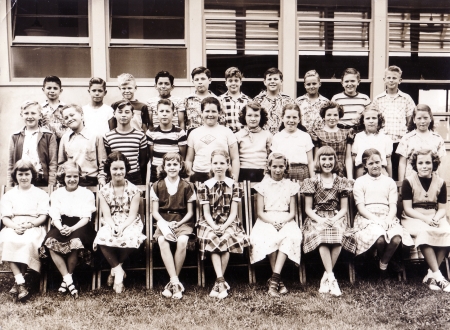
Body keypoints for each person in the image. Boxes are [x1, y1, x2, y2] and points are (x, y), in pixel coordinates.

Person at [342, 149, 413, 279]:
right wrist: (377, 220)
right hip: (367, 217)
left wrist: (389, 218)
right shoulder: (360, 181)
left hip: (387, 215)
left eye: (377, 162)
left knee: (396, 237)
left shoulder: (389, 182)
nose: (375, 166)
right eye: (371, 163)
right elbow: (361, 208)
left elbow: (393, 205)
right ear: (365, 165)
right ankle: (384, 268)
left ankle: (382, 263)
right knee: (380, 238)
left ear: (382, 162)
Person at [196, 149, 250, 299]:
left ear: (228, 165)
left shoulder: (235, 186)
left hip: (230, 222)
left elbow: (233, 213)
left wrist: (224, 226)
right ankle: (221, 280)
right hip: (208, 222)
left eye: (222, 163)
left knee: (225, 237)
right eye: (215, 163)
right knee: (213, 237)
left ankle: (218, 282)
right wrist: (214, 226)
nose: (218, 166)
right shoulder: (204, 186)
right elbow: (206, 213)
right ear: (211, 165)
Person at [39, 161, 96, 299]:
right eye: (69, 176)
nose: (72, 179)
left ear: (79, 177)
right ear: (63, 177)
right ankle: (69, 280)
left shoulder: (86, 194)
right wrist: (60, 227)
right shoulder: (57, 194)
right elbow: (55, 214)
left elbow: (86, 217)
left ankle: (66, 282)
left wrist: (72, 228)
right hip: (61, 224)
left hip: (80, 225)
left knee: (75, 242)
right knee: (50, 241)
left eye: (75, 176)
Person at [93, 151, 146, 293]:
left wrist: (122, 227)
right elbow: (107, 216)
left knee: (131, 236)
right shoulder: (103, 191)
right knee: (102, 238)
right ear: (109, 170)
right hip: (111, 221)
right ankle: (118, 270)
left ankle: (115, 271)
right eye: (114, 169)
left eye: (121, 168)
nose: (118, 172)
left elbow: (133, 215)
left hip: (130, 221)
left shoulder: (134, 190)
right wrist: (113, 226)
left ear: (126, 169)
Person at [249, 152, 301, 297]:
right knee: (269, 236)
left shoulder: (291, 186)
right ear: (269, 167)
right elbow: (260, 212)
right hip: (266, 218)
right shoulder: (262, 186)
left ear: (286, 167)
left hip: (286, 218)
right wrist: (273, 222)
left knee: (290, 237)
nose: (278, 170)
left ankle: (274, 281)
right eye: (274, 166)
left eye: (281, 166)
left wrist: (282, 222)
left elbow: (292, 212)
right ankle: (278, 282)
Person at [302, 146, 350, 296]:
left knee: (337, 234)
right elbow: (308, 209)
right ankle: (332, 277)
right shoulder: (312, 181)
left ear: (335, 161)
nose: (327, 162)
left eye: (330, 159)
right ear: (319, 161)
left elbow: (343, 209)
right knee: (322, 235)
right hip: (316, 218)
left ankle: (327, 277)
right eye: (324, 159)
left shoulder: (341, 181)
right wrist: (321, 220)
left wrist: (333, 219)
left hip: (336, 217)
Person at [402, 149, 450, 291]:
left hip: (433, 216)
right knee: (425, 232)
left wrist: (435, 218)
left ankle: (430, 274)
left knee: (447, 232)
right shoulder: (408, 181)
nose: (424, 166)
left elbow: (442, 208)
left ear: (433, 164)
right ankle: (439, 277)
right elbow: (407, 209)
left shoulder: (441, 182)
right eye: (420, 163)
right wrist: (425, 220)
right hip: (413, 217)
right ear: (415, 165)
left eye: (428, 162)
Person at [0, 160, 49, 301]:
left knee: (27, 241)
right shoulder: (9, 195)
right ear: (15, 176)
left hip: (33, 225)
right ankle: (21, 282)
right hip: (13, 225)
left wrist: (28, 225)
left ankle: (18, 283)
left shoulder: (40, 193)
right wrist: (15, 227)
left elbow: (43, 216)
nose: (23, 177)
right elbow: (5, 218)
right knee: (8, 240)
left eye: (27, 174)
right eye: (20, 174)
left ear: (32, 175)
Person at [151, 152, 196, 299]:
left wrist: (179, 223)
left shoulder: (187, 186)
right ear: (163, 167)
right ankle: (175, 281)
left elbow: (190, 213)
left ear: (180, 166)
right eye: (168, 164)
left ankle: (172, 283)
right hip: (164, 221)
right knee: (162, 241)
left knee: (182, 241)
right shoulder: (157, 185)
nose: (172, 167)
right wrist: (165, 223)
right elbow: (155, 212)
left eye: (175, 164)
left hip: (182, 221)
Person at [372, 65, 415, 180]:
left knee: (400, 169)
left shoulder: (406, 98)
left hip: (400, 141)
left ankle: (400, 195)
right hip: (383, 140)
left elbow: (410, 122)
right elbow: (374, 120)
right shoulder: (378, 99)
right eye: (389, 77)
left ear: (400, 80)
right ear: (384, 80)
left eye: (394, 78)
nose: (391, 80)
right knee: (385, 170)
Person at [185, 97, 240, 183]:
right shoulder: (194, 133)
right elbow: (189, 159)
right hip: (199, 175)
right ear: (201, 113)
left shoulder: (227, 132)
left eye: (214, 111)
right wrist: (188, 178)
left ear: (219, 113)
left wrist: (235, 178)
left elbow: (235, 158)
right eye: (207, 111)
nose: (210, 114)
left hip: (221, 175)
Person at [8, 100, 57, 187]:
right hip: (21, 180)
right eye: (26, 113)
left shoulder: (48, 136)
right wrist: (10, 185)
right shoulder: (15, 136)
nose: (30, 116)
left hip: (41, 181)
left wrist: (51, 185)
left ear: (40, 115)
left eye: (33, 113)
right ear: (21, 115)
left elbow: (53, 163)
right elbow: (11, 164)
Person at [59, 104, 107, 186]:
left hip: (91, 180)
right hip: (72, 181)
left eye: (72, 115)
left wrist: (102, 180)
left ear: (82, 115)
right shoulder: (65, 138)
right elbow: (61, 163)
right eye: (66, 118)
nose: (70, 119)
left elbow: (103, 163)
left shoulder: (95, 136)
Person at [397, 104, 446, 181]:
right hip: (412, 181)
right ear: (414, 119)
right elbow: (402, 163)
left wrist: (441, 183)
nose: (422, 121)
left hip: (432, 181)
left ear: (430, 118)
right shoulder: (407, 138)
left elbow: (441, 164)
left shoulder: (438, 139)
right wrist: (401, 184)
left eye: (425, 118)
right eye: (419, 118)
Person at [104, 100, 149, 185]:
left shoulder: (140, 136)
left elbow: (142, 162)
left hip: (134, 177)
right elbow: (108, 160)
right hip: (115, 175)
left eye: (127, 112)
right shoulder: (108, 136)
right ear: (114, 114)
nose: (123, 115)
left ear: (132, 115)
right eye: (120, 112)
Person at [146, 99, 187, 183]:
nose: (164, 114)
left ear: (174, 114)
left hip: (173, 170)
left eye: (167, 111)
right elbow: (151, 155)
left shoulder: (179, 132)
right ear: (156, 114)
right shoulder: (151, 132)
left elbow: (182, 155)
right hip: (156, 169)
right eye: (161, 111)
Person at [310, 101, 354, 179]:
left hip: (341, 174)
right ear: (324, 116)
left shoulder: (346, 133)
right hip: (323, 173)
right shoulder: (317, 133)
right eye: (329, 115)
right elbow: (316, 159)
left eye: (335, 115)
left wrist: (350, 178)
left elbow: (348, 158)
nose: (332, 118)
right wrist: (315, 177)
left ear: (339, 116)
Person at [271, 104, 314, 181]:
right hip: (283, 173)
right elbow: (274, 161)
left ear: (299, 119)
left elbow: (310, 162)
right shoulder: (277, 137)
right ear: (282, 118)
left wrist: (313, 178)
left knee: (302, 193)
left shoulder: (305, 136)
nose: (291, 120)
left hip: (302, 173)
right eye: (288, 117)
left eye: (294, 117)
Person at [234, 101, 272, 182]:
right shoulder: (238, 135)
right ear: (244, 116)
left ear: (261, 117)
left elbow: (270, 156)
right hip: (243, 171)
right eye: (249, 115)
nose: (253, 119)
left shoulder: (267, 135)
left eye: (256, 115)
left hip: (262, 172)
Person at [352, 104, 393, 178]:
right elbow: (354, 159)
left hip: (380, 171)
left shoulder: (385, 138)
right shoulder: (358, 137)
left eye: (374, 118)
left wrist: (390, 179)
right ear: (363, 121)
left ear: (379, 120)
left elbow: (388, 161)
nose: (371, 121)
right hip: (362, 171)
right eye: (367, 118)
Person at [253, 68, 294, 134]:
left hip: (283, 137)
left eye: (275, 79)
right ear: (265, 82)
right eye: (269, 79)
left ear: (281, 82)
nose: (272, 81)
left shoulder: (288, 101)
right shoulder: (257, 100)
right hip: (262, 137)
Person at [184, 66, 222, 134]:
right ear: (193, 82)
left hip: (213, 135)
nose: (200, 82)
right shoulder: (187, 100)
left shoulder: (217, 100)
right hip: (193, 137)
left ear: (209, 80)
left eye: (203, 79)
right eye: (197, 80)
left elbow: (221, 121)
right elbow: (183, 121)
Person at [219, 67, 252, 133]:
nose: (233, 83)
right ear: (226, 83)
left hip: (244, 135)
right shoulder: (220, 100)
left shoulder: (248, 101)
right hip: (226, 136)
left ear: (241, 82)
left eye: (236, 80)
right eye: (230, 81)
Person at [41, 75, 68, 140]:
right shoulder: (40, 108)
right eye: (49, 88)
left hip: (63, 141)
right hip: (46, 142)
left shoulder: (66, 108)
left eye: (55, 88)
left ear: (60, 91)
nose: (52, 91)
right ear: (43, 90)